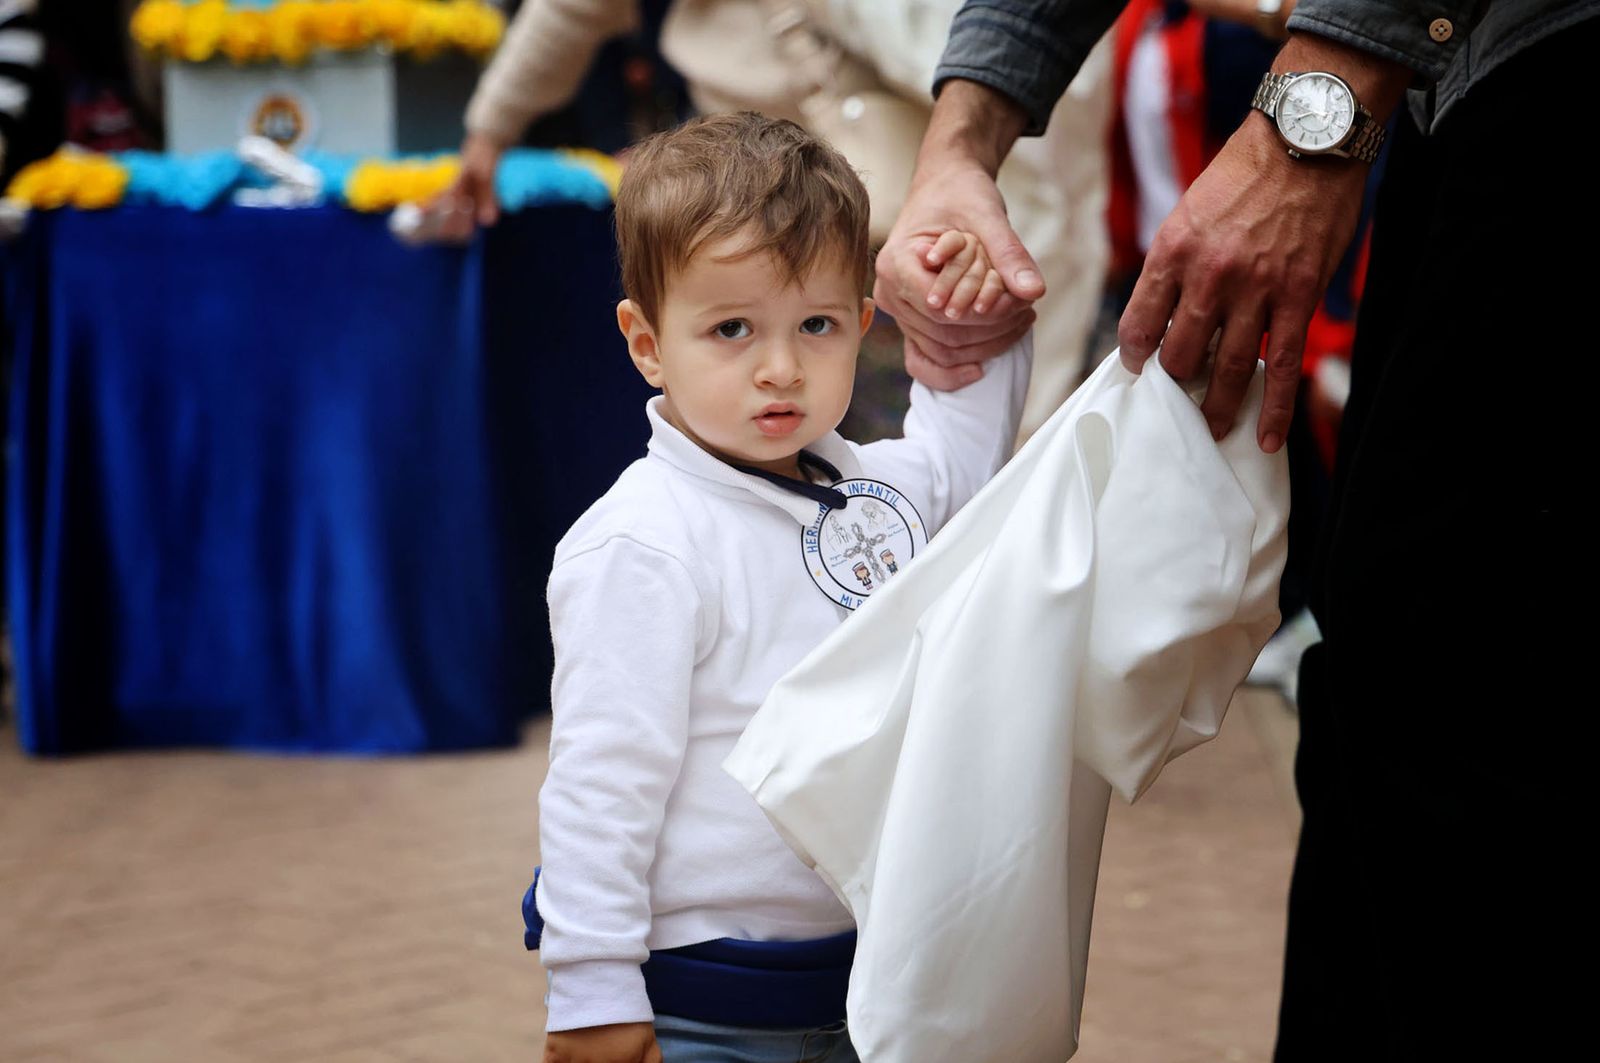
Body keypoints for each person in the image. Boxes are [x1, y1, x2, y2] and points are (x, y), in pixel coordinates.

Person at [874, 0, 1590, 1058]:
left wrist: (1314, 114)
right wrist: (958, 143)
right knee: (1376, 690)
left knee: (1457, 679)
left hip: (1542, 69)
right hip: (1449, 87)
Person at [530, 111, 1029, 1063]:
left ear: (862, 325)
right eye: (731, 328)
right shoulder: (643, 541)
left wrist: (975, 315)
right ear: (646, 342)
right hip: (700, 1003)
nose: (781, 368)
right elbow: (601, 784)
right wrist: (591, 992)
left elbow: (961, 457)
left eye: (817, 325)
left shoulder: (875, 490)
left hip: (867, 987)